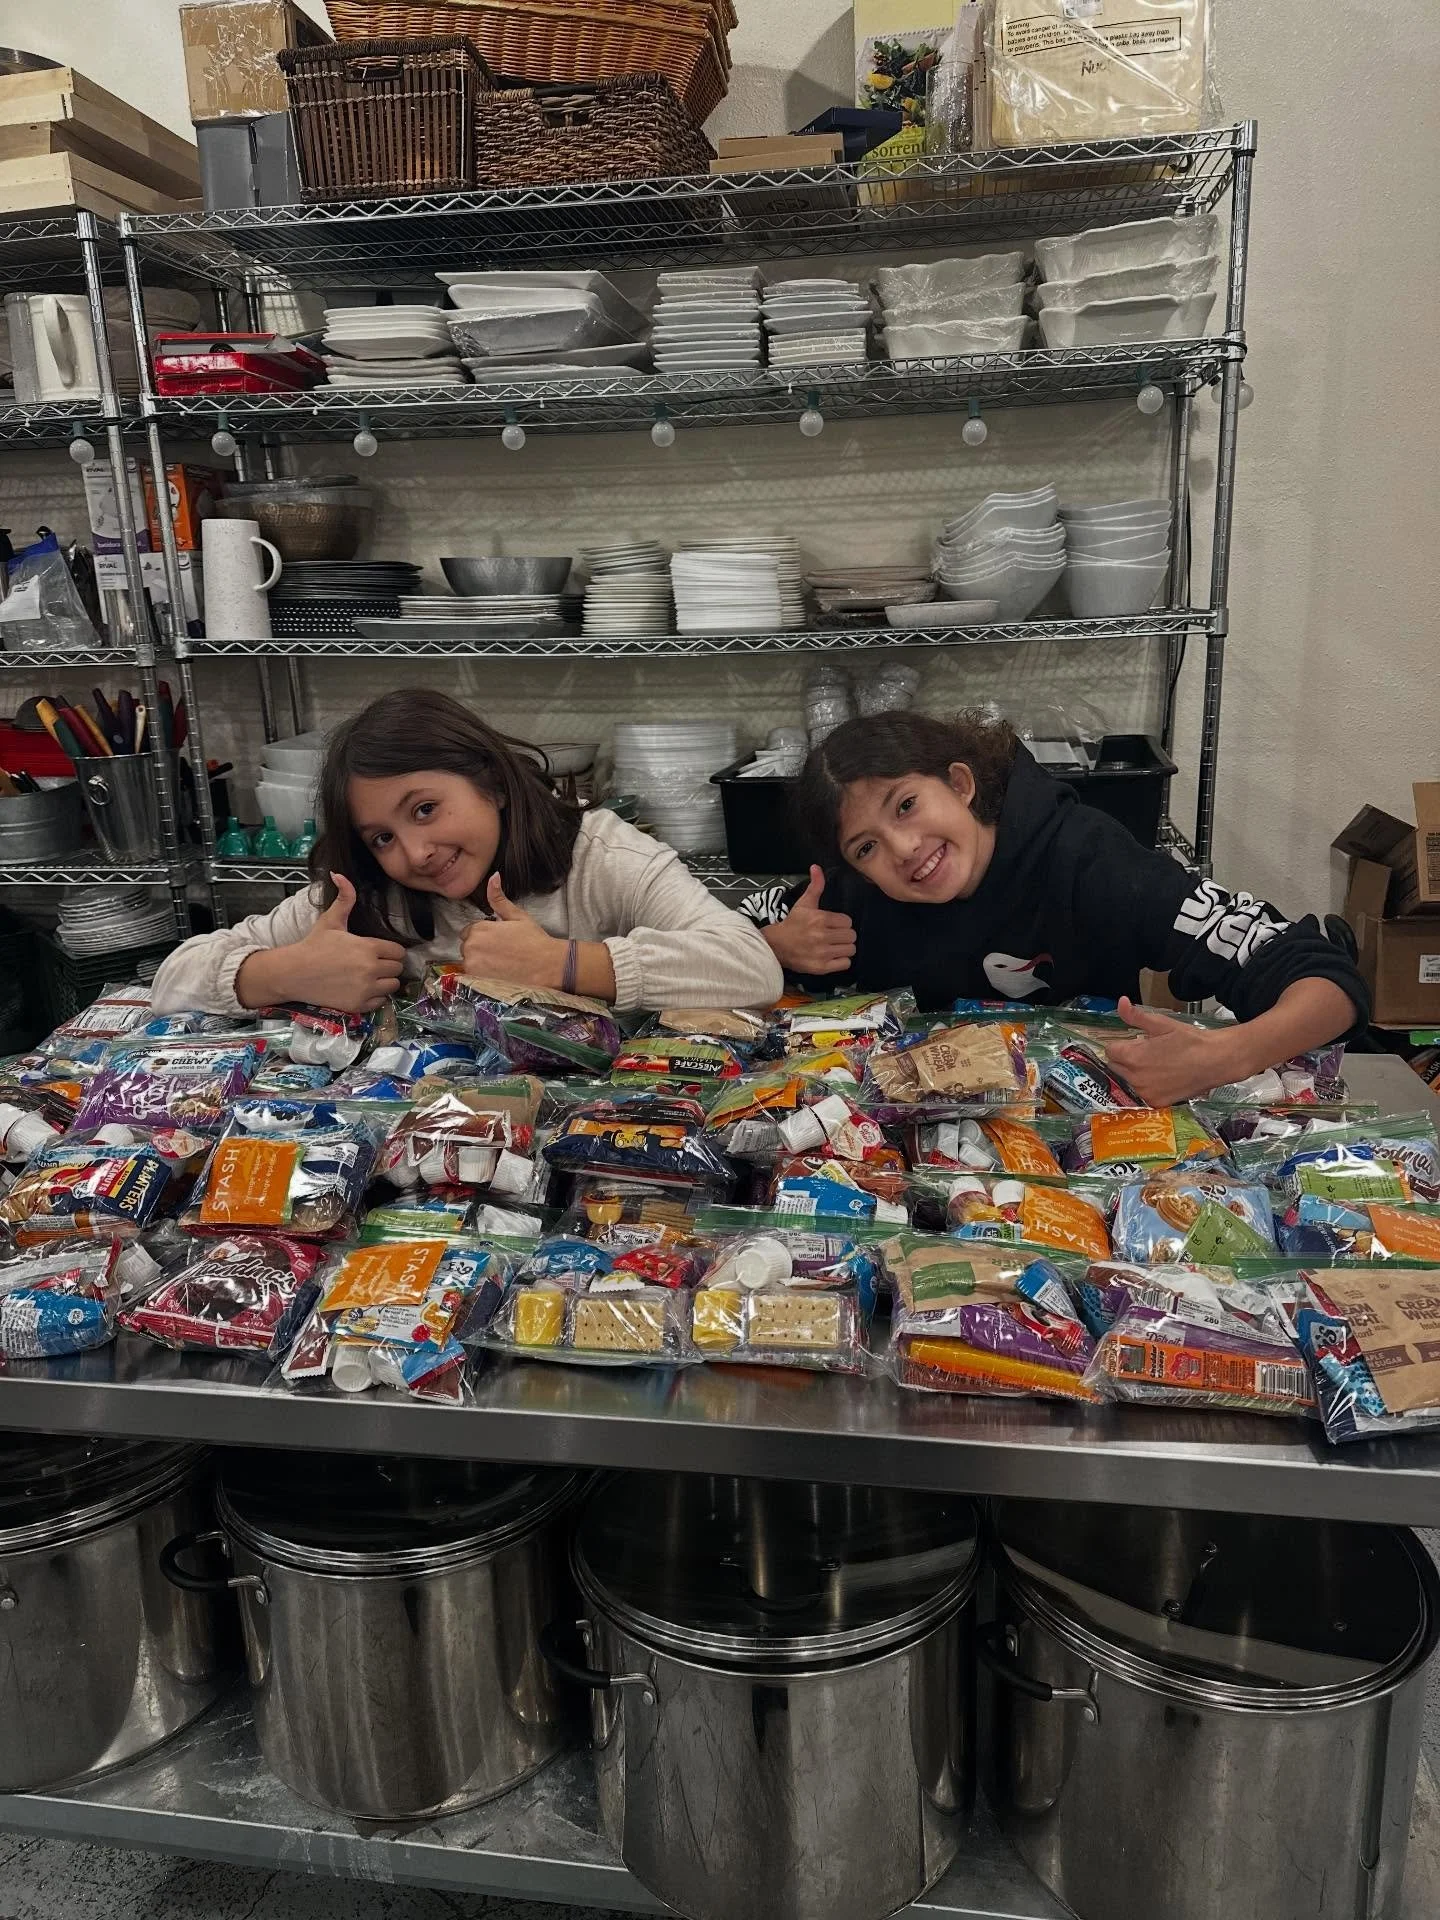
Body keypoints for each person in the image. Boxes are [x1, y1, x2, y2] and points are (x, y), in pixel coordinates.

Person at [746, 710, 1367, 1108]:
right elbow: (715, 933)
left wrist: (1229, 1053)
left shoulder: (1089, 863)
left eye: (906, 805)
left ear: (960, 784)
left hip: (1097, 1145)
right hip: (916, 1159)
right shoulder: (851, 900)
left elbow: (1328, 979)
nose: (904, 850)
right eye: (867, 846)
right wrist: (771, 945)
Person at [152, 689, 783, 1017]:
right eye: (382, 837)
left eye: (425, 809)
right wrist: (283, 973)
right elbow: (170, 981)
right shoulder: (363, 895)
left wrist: (563, 965)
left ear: (491, 781)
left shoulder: (600, 856)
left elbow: (751, 967)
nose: (417, 853)